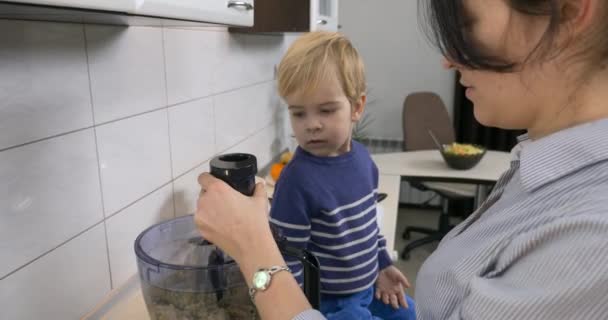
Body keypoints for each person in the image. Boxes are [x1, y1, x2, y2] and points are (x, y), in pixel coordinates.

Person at [195, 0, 608, 319]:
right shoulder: (539, 165)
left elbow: (366, 230)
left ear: (570, 12)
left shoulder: (589, 232)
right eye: (299, 113)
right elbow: (295, 255)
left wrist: (253, 250)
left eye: (467, 25)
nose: (448, 59)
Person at [266, 31, 414, 320]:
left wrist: (382, 265)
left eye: (326, 110)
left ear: (356, 107)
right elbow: (287, 258)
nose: (312, 125)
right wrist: (303, 310)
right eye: (299, 114)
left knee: (414, 314)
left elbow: (369, 226)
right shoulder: (296, 181)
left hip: (368, 287)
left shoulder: (363, 159)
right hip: (328, 302)